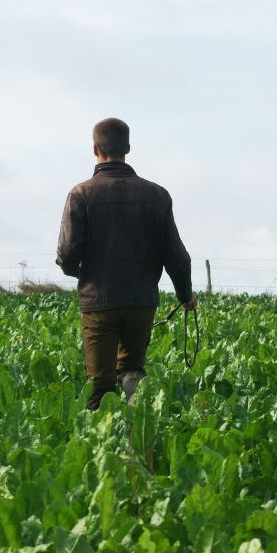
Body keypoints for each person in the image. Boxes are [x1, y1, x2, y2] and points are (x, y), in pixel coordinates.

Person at [56, 117, 197, 410]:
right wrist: (185, 296)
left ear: (95, 149)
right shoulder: (157, 195)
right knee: (133, 370)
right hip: (140, 302)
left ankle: (101, 434)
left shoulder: (80, 194)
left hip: (97, 302)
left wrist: (83, 274)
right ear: (128, 148)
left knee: (99, 383)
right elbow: (177, 256)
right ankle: (139, 428)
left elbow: (67, 255)